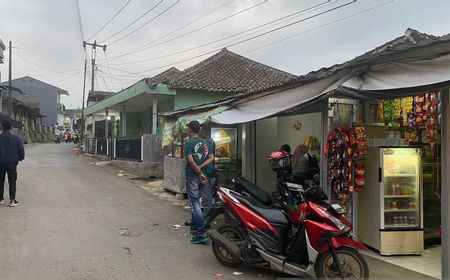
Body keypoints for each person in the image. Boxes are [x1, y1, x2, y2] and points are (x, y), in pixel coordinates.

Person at [184, 121, 214, 244]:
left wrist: (198, 170)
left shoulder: (189, 143)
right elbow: (212, 158)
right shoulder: (206, 142)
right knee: (201, 202)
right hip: (204, 176)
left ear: (190, 129)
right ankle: (195, 229)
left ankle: (201, 231)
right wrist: (201, 168)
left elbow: (191, 161)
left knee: (195, 203)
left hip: (193, 176)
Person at [0, 121, 25, 207]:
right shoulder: (16, 138)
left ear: (2, 127)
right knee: (12, 181)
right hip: (12, 163)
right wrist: (20, 158)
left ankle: (1, 199)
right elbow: (21, 150)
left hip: (0, 163)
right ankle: (12, 200)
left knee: (0, 181)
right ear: (11, 128)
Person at [199, 124, 216, 221]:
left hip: (208, 172)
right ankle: (206, 215)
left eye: (200, 130)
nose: (199, 132)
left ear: (204, 131)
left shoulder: (207, 142)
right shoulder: (210, 141)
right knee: (207, 194)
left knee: (207, 194)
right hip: (210, 171)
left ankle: (206, 217)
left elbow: (204, 157)